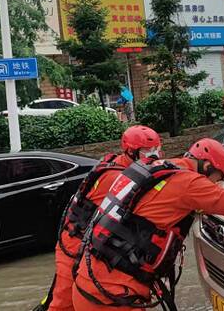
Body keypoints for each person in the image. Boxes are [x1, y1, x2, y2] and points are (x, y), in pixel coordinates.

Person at [72, 138, 224, 311]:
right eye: (217, 180)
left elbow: (208, 202)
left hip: (90, 278)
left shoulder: (160, 168)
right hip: (111, 294)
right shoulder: (188, 183)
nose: (217, 186)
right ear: (207, 167)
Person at [37, 126, 163, 311]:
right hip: (73, 246)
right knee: (63, 303)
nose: (154, 156)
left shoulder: (117, 164)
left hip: (87, 243)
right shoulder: (116, 178)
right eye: (148, 152)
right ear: (130, 151)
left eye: (156, 150)